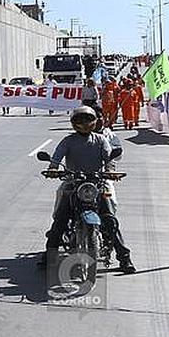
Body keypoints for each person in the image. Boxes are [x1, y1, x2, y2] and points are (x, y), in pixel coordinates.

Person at [42, 106, 135, 274]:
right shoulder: (68, 140)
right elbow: (57, 156)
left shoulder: (100, 140)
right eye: (80, 120)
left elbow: (109, 158)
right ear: (73, 123)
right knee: (60, 220)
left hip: (96, 184)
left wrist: (111, 171)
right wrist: (53, 167)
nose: (84, 124)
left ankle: (124, 258)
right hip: (73, 183)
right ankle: (49, 255)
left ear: (94, 122)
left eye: (87, 120)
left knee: (110, 220)